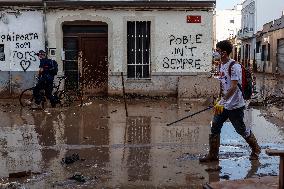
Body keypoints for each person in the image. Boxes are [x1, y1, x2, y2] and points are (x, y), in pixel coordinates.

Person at [199, 40, 261, 162]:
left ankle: (256, 148)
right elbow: (223, 84)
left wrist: (224, 100)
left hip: (235, 106)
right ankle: (213, 155)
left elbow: (233, 86)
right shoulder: (221, 65)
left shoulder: (234, 66)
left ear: (224, 53)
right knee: (215, 126)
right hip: (224, 104)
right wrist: (219, 99)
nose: (215, 53)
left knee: (241, 130)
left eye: (217, 51)